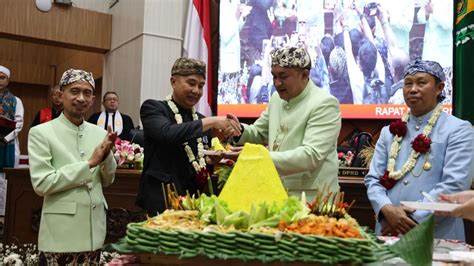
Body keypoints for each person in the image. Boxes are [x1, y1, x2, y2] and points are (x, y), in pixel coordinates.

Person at [365, 60, 474, 240]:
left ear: (439, 88)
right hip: (387, 230)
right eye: (408, 83)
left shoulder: (458, 129)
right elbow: (373, 179)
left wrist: (410, 219)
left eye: (421, 83)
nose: (413, 89)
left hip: (436, 234)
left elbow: (454, 184)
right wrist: (386, 209)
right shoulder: (388, 132)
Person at [28, 69, 117, 264]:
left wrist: (107, 154)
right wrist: (89, 164)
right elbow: (42, 184)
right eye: (74, 91)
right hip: (61, 234)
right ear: (60, 96)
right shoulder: (41, 133)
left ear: (93, 99)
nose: (81, 98)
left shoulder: (98, 132)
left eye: (87, 93)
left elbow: (108, 180)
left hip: (94, 232)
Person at [230, 46, 342, 200]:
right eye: (274, 76)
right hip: (275, 193)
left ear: (304, 75)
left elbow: (311, 155)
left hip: (313, 200)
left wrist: (261, 158)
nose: (277, 83)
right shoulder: (277, 99)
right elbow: (259, 132)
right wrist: (236, 129)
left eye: (283, 76)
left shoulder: (325, 103)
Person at [136, 57, 241, 215]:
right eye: (191, 83)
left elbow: (193, 157)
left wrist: (209, 160)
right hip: (162, 200)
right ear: (173, 81)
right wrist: (211, 121)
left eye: (201, 86)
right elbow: (167, 134)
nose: (197, 91)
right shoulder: (153, 108)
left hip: (193, 200)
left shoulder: (199, 119)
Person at [0, 65, 24, 216]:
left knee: (4, 180)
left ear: (8, 80)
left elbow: (19, 123)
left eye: (2, 77)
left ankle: (3, 214)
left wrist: (5, 138)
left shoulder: (16, 101)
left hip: (7, 144)